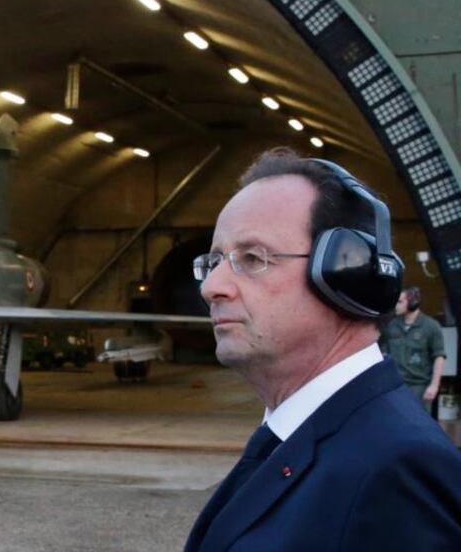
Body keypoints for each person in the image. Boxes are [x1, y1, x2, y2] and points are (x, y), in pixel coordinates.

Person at [185, 148, 461, 551]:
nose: (212, 287)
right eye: (213, 262)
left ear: (345, 273)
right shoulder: (299, 433)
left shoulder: (398, 468)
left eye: (252, 257)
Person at [380, 286, 446, 411]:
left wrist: (434, 385)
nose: (396, 306)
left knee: (420, 424)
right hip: (395, 385)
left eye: (400, 302)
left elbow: (439, 356)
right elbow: (383, 353)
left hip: (419, 387)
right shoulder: (392, 325)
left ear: (413, 303)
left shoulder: (431, 326)